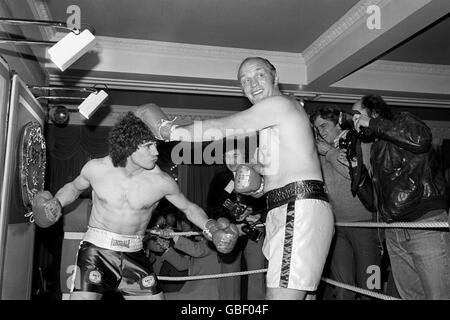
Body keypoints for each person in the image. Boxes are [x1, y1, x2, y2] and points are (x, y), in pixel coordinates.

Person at [135, 57, 335, 300]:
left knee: (280, 296)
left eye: (259, 75)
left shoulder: (281, 105)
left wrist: (173, 130)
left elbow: (227, 125)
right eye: (245, 80)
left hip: (298, 208)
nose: (252, 84)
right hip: (286, 208)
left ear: (275, 77)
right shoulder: (272, 131)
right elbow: (265, 188)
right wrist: (250, 178)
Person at [31, 112, 239, 300]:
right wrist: (57, 201)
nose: (156, 152)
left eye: (155, 145)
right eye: (148, 146)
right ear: (130, 146)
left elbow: (189, 209)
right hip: (97, 251)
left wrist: (211, 227)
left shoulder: (161, 181)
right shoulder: (97, 168)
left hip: (134, 252)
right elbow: (74, 188)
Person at [350, 94, 450, 299]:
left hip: (424, 225)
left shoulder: (402, 121)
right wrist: (354, 169)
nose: (354, 121)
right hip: (394, 230)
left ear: (374, 113)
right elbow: (373, 203)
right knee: (411, 296)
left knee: (439, 295)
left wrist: (374, 124)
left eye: (357, 115)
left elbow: (421, 139)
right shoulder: (376, 148)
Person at [310, 106, 382, 299]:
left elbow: (357, 179)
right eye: (317, 129)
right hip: (336, 227)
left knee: (370, 287)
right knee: (342, 289)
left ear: (338, 123)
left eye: (324, 125)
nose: (320, 131)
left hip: (366, 226)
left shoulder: (359, 143)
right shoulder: (320, 154)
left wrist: (331, 154)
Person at [207, 148, 267, 300]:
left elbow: (269, 201)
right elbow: (212, 208)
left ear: (245, 156)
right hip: (229, 233)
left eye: (235, 155)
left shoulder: (259, 174)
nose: (231, 161)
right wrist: (227, 224)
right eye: (226, 156)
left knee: (257, 275)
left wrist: (258, 214)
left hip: (255, 232)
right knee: (229, 277)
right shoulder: (219, 179)